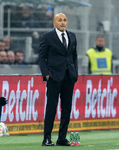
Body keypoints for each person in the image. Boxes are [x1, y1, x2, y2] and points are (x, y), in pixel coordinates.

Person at [38, 13, 78, 146]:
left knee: (66, 108)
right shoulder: (48, 37)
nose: (63, 22)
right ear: (54, 23)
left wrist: (75, 72)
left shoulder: (72, 36)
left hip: (69, 77)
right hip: (54, 77)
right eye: (59, 20)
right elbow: (42, 57)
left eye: (65, 20)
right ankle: (47, 138)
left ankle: (62, 138)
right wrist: (46, 74)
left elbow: (74, 56)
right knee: (51, 107)